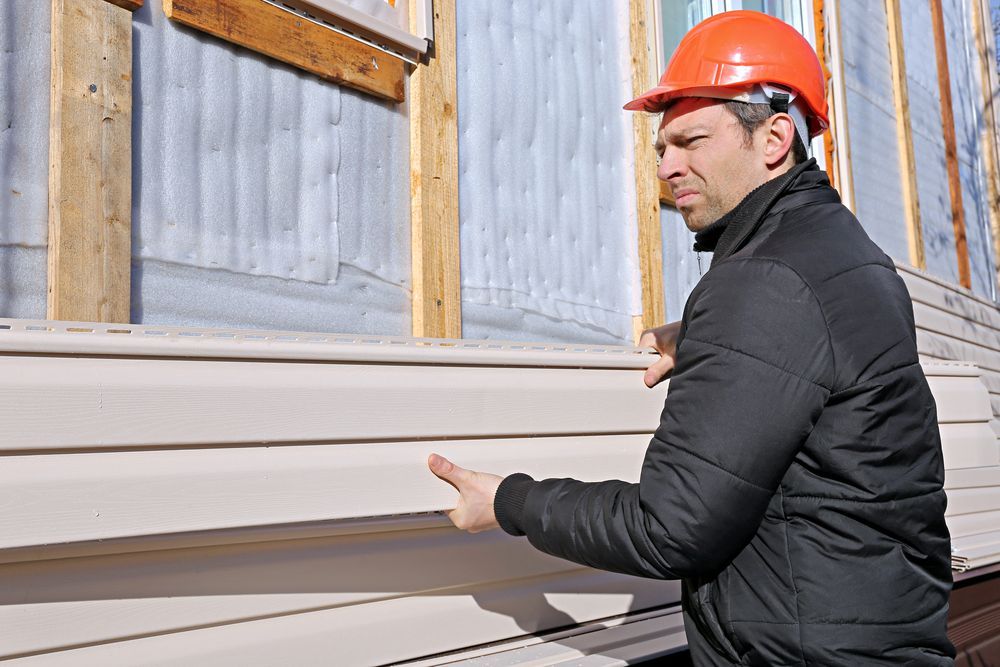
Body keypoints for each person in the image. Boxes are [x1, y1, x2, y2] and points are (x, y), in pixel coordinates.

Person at [426, 11, 955, 665]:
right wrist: (714, 335)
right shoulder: (845, 256)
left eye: (692, 141)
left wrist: (510, 500)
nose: (668, 166)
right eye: (661, 148)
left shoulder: (767, 282)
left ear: (774, 137)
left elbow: (669, 528)